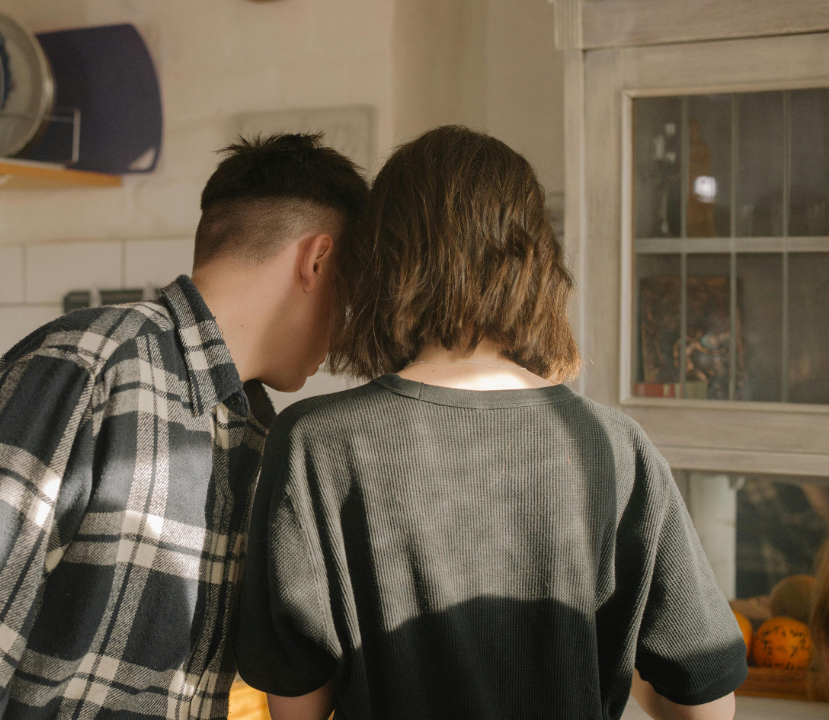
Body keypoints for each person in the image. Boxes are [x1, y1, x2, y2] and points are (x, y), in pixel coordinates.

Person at [234, 126, 749, 720]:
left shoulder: (313, 444)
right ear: (536, 262)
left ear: (382, 261)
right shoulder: (612, 446)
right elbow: (705, 703)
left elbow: (297, 704)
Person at [0, 134, 368, 720]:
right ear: (317, 260)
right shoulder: (90, 362)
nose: (350, 325)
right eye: (353, 288)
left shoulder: (250, 423)